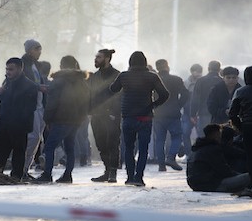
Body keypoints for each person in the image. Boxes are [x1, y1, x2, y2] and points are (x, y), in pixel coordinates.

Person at [110, 51, 169, 187]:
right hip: (145, 117)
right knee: (143, 149)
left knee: (129, 148)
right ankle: (139, 177)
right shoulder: (152, 77)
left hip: (128, 117)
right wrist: (153, 105)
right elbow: (165, 94)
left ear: (130, 62)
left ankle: (130, 176)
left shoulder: (124, 76)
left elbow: (113, 89)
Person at [33, 56, 90, 183]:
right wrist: (81, 118)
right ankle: (67, 175)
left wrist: (47, 119)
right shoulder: (82, 81)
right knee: (70, 147)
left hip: (60, 119)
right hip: (75, 120)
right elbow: (86, 102)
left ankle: (47, 174)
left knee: (49, 146)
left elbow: (52, 102)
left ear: (61, 65)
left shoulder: (59, 81)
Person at [0, 58, 39, 180]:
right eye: (7, 69)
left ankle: (16, 176)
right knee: (0, 152)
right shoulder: (7, 82)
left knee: (18, 153)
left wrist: (18, 118)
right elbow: (3, 99)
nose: (8, 72)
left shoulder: (29, 85)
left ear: (20, 69)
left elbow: (30, 107)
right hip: (4, 124)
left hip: (19, 126)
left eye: (11, 69)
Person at [89, 49, 122, 183]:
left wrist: (115, 112)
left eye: (99, 57)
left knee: (112, 143)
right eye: (96, 56)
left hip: (112, 115)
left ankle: (112, 172)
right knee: (100, 144)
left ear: (107, 58)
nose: (96, 59)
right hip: (97, 115)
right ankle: (107, 170)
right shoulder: (94, 76)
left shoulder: (117, 75)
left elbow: (120, 95)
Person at [186, 124, 251, 192]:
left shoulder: (196, 148)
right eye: (219, 134)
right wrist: (239, 175)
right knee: (249, 176)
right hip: (211, 185)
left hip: (195, 185)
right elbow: (225, 171)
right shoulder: (213, 149)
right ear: (215, 134)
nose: (220, 136)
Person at [153, 59, 188, 171]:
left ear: (157, 67)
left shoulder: (153, 79)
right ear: (167, 66)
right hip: (173, 112)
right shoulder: (176, 79)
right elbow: (185, 94)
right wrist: (179, 104)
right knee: (177, 136)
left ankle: (161, 165)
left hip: (158, 113)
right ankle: (171, 157)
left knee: (159, 139)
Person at [22, 39, 48, 179]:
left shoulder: (36, 66)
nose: (40, 52)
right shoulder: (23, 65)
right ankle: (22, 168)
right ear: (30, 50)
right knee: (32, 138)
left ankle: (26, 168)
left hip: (39, 107)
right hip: (30, 108)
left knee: (36, 139)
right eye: (37, 49)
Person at [189, 60, 223, 137]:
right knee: (217, 136)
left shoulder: (201, 81)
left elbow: (195, 99)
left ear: (208, 68)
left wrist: (193, 114)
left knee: (203, 136)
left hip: (204, 113)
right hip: (218, 114)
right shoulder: (222, 81)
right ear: (219, 69)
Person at [181, 63, 203, 158]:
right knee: (185, 133)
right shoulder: (186, 82)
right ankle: (188, 154)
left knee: (201, 133)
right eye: (196, 71)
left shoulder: (203, 82)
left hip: (199, 112)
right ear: (192, 72)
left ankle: (199, 153)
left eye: (199, 72)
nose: (197, 74)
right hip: (186, 112)